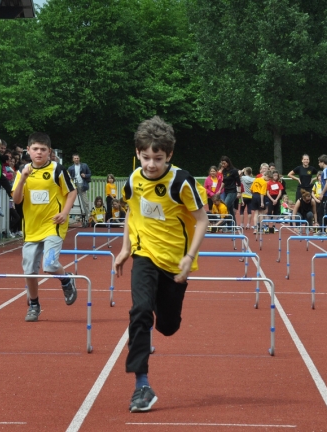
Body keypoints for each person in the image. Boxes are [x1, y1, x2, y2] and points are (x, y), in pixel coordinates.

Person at [113, 115, 208, 413]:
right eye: (145, 157)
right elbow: (131, 211)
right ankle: (141, 385)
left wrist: (189, 257)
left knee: (167, 326)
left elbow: (202, 220)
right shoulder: (133, 180)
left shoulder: (181, 182)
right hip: (144, 255)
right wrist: (126, 247)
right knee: (140, 311)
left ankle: (165, 316)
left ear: (169, 155)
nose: (151, 164)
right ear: (137, 154)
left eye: (158, 158)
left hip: (174, 263)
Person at [11, 132, 78, 322]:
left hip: (53, 226)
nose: (39, 153)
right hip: (31, 228)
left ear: (49, 152)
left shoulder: (57, 169)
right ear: (28, 151)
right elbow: (16, 200)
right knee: (29, 269)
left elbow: (71, 192)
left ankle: (66, 280)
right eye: (35, 149)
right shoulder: (21, 172)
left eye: (43, 149)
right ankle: (34, 304)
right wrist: (23, 179)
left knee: (49, 265)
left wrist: (65, 213)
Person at [220, 156, 241, 226]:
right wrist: (220, 190)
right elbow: (224, 181)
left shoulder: (234, 171)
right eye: (222, 164)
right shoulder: (224, 171)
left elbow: (238, 182)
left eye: (224, 163)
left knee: (225, 206)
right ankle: (233, 225)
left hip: (232, 192)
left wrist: (239, 192)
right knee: (230, 210)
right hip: (226, 191)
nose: (223, 165)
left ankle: (221, 223)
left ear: (228, 163)